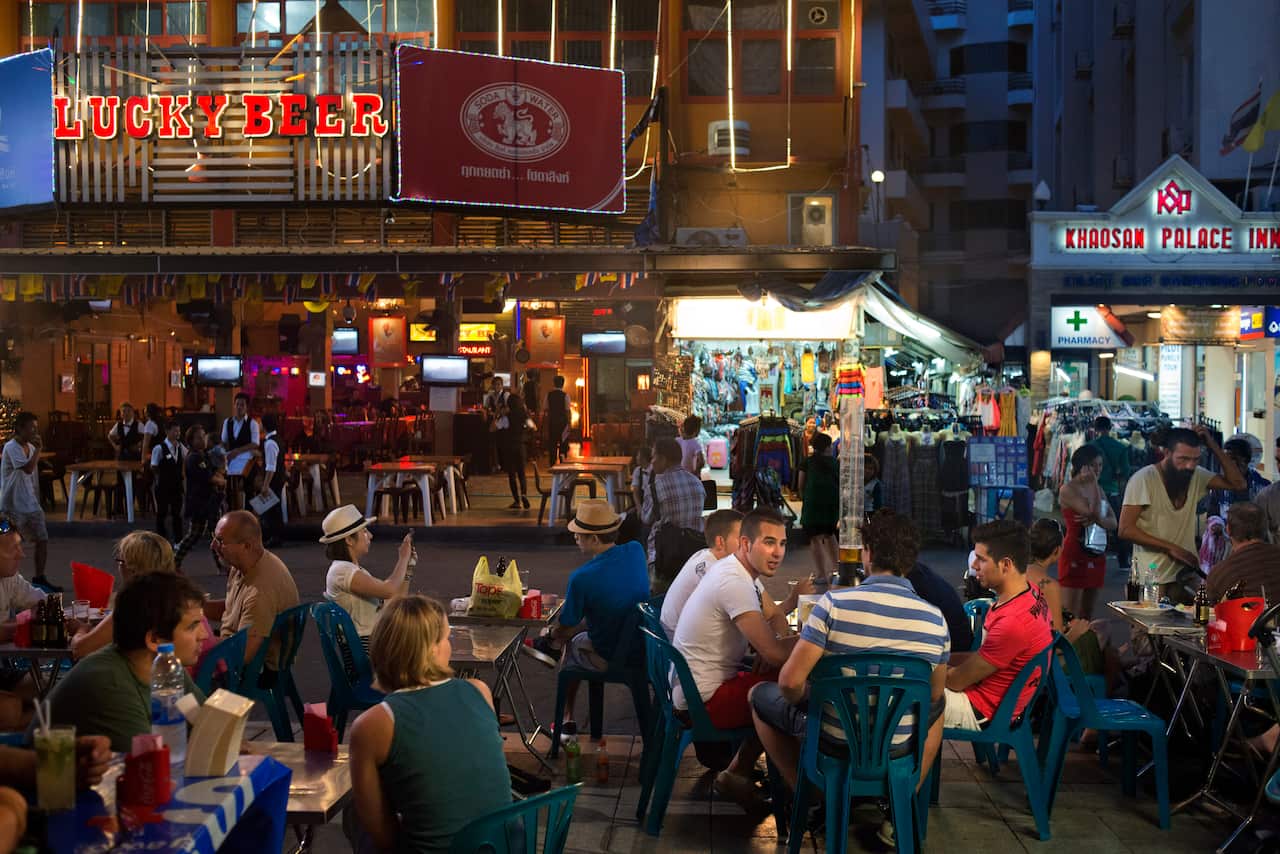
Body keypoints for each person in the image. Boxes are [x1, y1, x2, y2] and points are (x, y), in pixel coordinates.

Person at [750, 510, 949, 833]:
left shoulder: (833, 606)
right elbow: (935, 693)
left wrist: (809, 700)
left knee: (759, 697)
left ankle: (811, 792)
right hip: (897, 745)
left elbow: (789, 682)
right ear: (910, 561)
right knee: (940, 706)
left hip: (833, 741)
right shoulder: (934, 619)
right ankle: (900, 802)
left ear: (867, 553)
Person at [349, 595, 511, 852]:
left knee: (354, 816)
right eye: (446, 638)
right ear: (430, 649)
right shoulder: (479, 691)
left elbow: (384, 838)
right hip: (503, 845)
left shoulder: (373, 724)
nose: (450, 647)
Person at [672, 508, 800, 805]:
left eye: (782, 543)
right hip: (701, 700)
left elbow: (773, 636)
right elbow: (774, 652)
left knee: (780, 680)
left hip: (697, 686)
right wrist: (818, 639)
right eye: (769, 542)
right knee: (791, 690)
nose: (778, 552)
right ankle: (804, 790)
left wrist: (778, 649)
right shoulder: (734, 581)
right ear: (745, 544)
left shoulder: (737, 570)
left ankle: (738, 772)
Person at [38, 573, 207, 752]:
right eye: (192, 626)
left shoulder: (168, 667)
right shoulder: (110, 684)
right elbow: (146, 763)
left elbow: (205, 722)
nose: (204, 634)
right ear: (155, 640)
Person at [527, 500, 650, 734]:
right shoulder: (635, 550)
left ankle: (566, 717)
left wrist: (553, 633)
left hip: (611, 653)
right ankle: (549, 645)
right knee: (581, 628)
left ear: (594, 539)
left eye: (579, 534)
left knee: (570, 643)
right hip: (642, 643)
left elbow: (567, 624)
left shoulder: (582, 577)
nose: (574, 537)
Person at [943, 520, 1052, 731]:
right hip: (997, 698)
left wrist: (921, 669)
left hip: (984, 711)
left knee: (901, 695)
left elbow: (956, 681)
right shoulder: (1031, 592)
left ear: (1005, 565)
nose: (974, 566)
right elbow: (983, 658)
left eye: (981, 560)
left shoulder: (1013, 623)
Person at [1119, 426, 1245, 603]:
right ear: (1167, 453)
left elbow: (1238, 484)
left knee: (1194, 627)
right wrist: (1170, 547)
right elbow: (1125, 529)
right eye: (1183, 459)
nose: (1190, 466)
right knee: (1149, 628)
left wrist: (1213, 445)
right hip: (1151, 577)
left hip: (1186, 573)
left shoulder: (1197, 476)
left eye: (1195, 459)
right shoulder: (1144, 479)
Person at [206, 511, 300, 685]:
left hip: (257, 668)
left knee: (181, 676)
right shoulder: (243, 565)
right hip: (239, 643)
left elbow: (242, 655)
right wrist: (193, 609)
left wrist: (198, 644)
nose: (213, 545)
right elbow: (232, 609)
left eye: (220, 541)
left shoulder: (261, 590)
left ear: (246, 546)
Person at [321, 505, 415, 643]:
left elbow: (395, 599)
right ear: (349, 540)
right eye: (364, 531)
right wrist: (403, 558)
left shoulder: (354, 571)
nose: (370, 536)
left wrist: (408, 568)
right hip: (363, 648)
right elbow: (388, 590)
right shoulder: (342, 571)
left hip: (371, 641)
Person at [660, 509, 743, 638]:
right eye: (741, 539)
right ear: (720, 542)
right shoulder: (715, 572)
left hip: (675, 636)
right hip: (678, 647)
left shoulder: (705, 554)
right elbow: (746, 619)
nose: (748, 544)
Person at [1057, 445, 1116, 620]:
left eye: (1100, 465)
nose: (1097, 469)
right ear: (1081, 466)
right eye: (1093, 465)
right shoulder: (1068, 489)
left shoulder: (1099, 489)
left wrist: (1098, 518)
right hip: (1075, 552)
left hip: (1097, 552)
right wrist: (1093, 486)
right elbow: (1091, 512)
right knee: (1069, 615)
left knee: (1087, 614)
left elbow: (1113, 522)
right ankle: (1067, 647)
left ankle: (1084, 646)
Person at [0, 516, 47, 730]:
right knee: (11, 709)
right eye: (13, 549)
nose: (22, 554)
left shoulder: (9, 578)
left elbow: (41, 601)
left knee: (51, 689)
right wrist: (20, 626)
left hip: (3, 669)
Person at [642, 437, 707, 584]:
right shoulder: (697, 483)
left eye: (653, 456)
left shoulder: (655, 487)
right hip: (693, 551)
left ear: (663, 459)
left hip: (665, 555)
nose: (651, 461)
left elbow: (645, 518)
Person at [0, 413, 51, 587]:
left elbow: (32, 477)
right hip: (12, 505)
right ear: (20, 428)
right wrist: (38, 450)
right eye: (31, 428)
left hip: (30, 503)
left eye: (36, 428)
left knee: (42, 539)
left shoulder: (30, 446)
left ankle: (39, 578)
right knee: (10, 544)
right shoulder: (11, 447)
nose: (35, 432)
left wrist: (36, 498)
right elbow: (28, 469)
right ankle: (10, 581)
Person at [1206, 502, 1280, 601]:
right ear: (1264, 528)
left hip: (1246, 616)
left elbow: (1206, 611)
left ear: (1228, 530)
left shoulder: (1220, 573)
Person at [175, 424, 225, 570]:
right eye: (199, 437)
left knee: (212, 533)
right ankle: (174, 560)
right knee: (202, 534)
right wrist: (221, 481)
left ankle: (221, 565)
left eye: (203, 436)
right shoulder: (194, 458)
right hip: (200, 502)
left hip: (208, 501)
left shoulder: (204, 455)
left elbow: (216, 470)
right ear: (191, 441)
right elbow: (208, 477)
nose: (203, 440)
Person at [798, 431, 839, 585]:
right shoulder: (835, 463)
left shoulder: (807, 462)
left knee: (815, 539)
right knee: (830, 536)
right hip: (831, 505)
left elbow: (800, 484)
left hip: (813, 505)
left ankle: (821, 574)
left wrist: (805, 498)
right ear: (828, 447)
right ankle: (836, 570)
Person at [1090, 416, 1131, 567]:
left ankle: (1093, 557)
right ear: (1110, 428)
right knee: (1117, 526)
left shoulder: (1090, 446)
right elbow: (1126, 471)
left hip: (1094, 491)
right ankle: (1123, 560)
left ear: (1095, 429)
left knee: (1094, 524)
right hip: (1112, 491)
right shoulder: (1120, 447)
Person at [1206, 437, 1271, 518]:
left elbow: (1270, 518)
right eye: (1224, 460)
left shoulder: (1265, 487)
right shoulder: (1220, 485)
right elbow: (1212, 514)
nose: (1226, 465)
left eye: (1230, 460)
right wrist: (1215, 523)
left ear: (1245, 460)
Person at [150, 420, 186, 543]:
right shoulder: (159, 448)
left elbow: (187, 457)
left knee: (177, 513)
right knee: (162, 513)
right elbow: (154, 466)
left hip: (177, 485)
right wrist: (161, 476)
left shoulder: (180, 447)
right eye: (174, 430)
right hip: (163, 486)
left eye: (178, 431)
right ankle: (161, 540)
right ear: (167, 431)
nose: (177, 433)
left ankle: (178, 540)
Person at [497, 381, 530, 509]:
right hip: (521, 446)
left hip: (509, 447)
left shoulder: (506, 417)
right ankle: (524, 494)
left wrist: (498, 414)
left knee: (512, 474)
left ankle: (516, 501)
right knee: (522, 473)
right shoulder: (523, 415)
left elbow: (492, 428)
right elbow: (534, 427)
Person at [256, 414, 286, 547]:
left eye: (260, 423)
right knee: (273, 508)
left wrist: (265, 485)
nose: (259, 425)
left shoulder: (270, 443)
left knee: (270, 510)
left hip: (273, 481)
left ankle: (274, 536)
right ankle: (275, 536)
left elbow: (270, 467)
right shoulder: (277, 439)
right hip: (278, 479)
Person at [544, 375, 572, 466]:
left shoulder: (548, 395)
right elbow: (567, 411)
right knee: (563, 443)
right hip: (562, 423)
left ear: (554, 383)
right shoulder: (566, 395)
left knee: (552, 443)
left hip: (552, 422)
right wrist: (569, 423)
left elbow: (546, 410)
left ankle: (552, 463)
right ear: (562, 384)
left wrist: (545, 424)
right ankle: (563, 462)